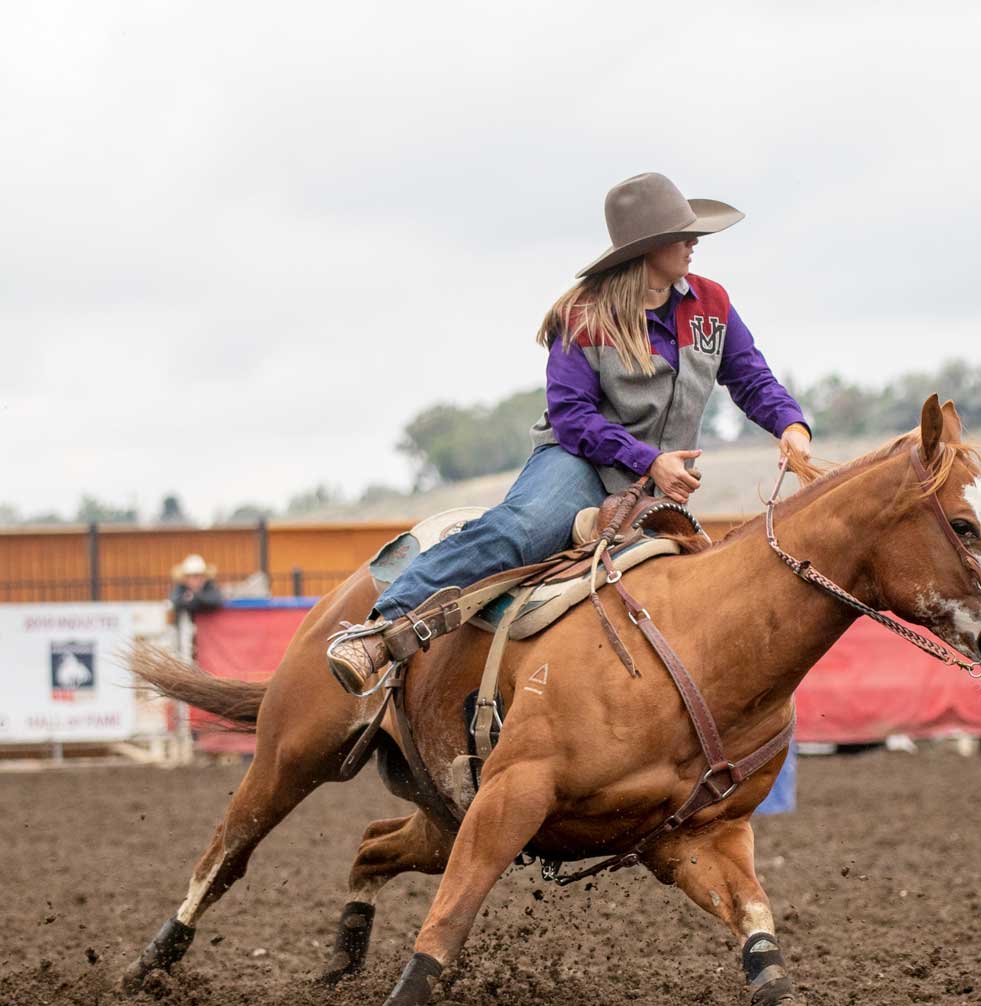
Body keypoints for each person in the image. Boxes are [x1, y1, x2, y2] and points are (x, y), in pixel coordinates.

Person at [326, 172, 812, 694]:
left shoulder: (711, 303)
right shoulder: (584, 316)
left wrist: (790, 423)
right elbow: (572, 417)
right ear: (648, 249)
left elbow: (750, 375)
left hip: (657, 482)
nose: (694, 243)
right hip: (579, 462)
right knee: (522, 530)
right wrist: (650, 460)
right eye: (682, 234)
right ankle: (383, 627)